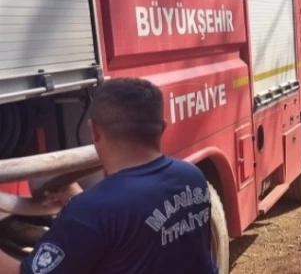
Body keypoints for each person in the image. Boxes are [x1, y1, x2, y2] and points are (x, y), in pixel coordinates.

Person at [0, 78, 217, 274]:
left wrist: (82, 209)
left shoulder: (90, 212)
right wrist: (79, 202)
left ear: (93, 131)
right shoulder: (192, 177)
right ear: (162, 127)